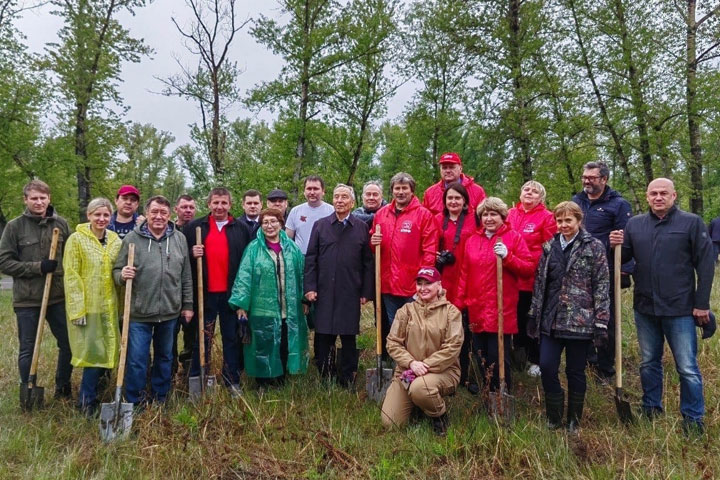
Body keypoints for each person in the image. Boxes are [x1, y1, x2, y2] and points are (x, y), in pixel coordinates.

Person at [610, 178, 715, 435]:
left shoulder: (691, 223)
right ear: (647, 197)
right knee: (648, 363)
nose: (658, 197)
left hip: (679, 307)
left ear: (674, 196)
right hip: (645, 307)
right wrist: (613, 245)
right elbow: (623, 259)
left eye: (663, 193)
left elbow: (706, 264)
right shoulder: (634, 225)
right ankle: (651, 409)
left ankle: (693, 420)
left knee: (687, 367)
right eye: (653, 193)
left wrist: (701, 305)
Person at [528, 201, 609, 433]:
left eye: (568, 220)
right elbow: (540, 284)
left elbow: (602, 285)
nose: (563, 225)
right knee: (547, 366)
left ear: (578, 221)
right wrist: (534, 314)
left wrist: (601, 322)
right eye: (559, 220)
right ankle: (554, 416)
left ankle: (574, 419)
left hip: (580, 321)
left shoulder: (593, 247)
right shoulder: (549, 247)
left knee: (575, 370)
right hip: (551, 320)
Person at [113, 195, 193, 406]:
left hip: (170, 311)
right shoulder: (132, 239)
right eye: (154, 212)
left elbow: (186, 275)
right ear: (146, 213)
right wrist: (122, 274)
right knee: (137, 360)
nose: (158, 216)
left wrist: (188, 305)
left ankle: (161, 398)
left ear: (169, 215)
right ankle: (135, 401)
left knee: (165, 358)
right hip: (139, 313)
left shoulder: (179, 239)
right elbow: (116, 270)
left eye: (163, 213)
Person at [0, 180, 73, 401]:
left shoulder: (60, 224)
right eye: (34, 198)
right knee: (28, 349)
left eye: (43, 198)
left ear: (49, 198)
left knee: (68, 344)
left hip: (57, 297)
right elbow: (4, 262)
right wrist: (37, 267)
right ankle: (29, 389)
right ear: (26, 200)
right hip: (28, 299)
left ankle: (63, 387)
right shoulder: (14, 227)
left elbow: (71, 257)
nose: (39, 202)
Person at [456, 197, 533, 397]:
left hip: (501, 308)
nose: (489, 218)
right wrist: (460, 302)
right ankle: (488, 391)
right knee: (481, 355)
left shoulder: (513, 237)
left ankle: (502, 393)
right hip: (477, 307)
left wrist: (508, 257)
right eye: (485, 215)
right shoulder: (473, 240)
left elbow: (528, 268)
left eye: (493, 214)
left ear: (502, 217)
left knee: (498, 355)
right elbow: (464, 273)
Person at [304, 184, 374, 388]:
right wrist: (310, 287)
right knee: (324, 334)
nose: (340, 200)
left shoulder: (361, 228)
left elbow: (367, 263)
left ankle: (348, 377)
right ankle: (326, 375)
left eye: (344, 197)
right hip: (323, 290)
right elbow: (311, 258)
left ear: (352, 203)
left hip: (350, 290)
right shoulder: (321, 225)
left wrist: (365, 292)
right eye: (336, 197)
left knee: (348, 335)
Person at [229, 208, 309, 386]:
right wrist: (241, 305)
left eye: (273, 221)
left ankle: (280, 380)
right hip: (262, 308)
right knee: (263, 344)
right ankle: (263, 382)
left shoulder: (292, 249)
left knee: (284, 343)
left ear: (281, 224)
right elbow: (244, 277)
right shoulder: (253, 249)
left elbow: (301, 274)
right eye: (265, 222)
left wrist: (304, 299)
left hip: (288, 308)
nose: (269, 226)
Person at [381, 267, 463, 436]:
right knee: (390, 423)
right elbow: (392, 343)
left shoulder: (452, 313)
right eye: (420, 283)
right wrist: (411, 363)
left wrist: (424, 366)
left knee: (420, 388)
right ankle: (419, 404)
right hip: (407, 372)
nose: (423, 288)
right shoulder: (405, 311)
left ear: (439, 286)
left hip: (444, 371)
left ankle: (439, 417)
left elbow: (452, 347)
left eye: (428, 283)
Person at [185, 188, 252, 394]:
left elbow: (247, 265)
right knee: (202, 338)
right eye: (215, 203)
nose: (219, 207)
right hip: (204, 294)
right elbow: (181, 261)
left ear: (230, 205)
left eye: (224, 203)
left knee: (231, 338)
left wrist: (243, 299)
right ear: (209, 204)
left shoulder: (240, 229)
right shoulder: (195, 227)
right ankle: (198, 378)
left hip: (231, 295)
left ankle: (231, 380)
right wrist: (191, 252)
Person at [572, 161, 632, 381]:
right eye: (584, 177)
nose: (587, 181)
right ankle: (589, 360)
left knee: (605, 319)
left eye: (592, 177)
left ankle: (606, 367)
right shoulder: (576, 201)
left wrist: (625, 269)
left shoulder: (618, 205)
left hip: (606, 270)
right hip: (579, 271)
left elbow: (627, 241)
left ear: (604, 179)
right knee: (582, 317)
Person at [63, 198, 122, 416]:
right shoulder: (77, 240)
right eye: (97, 215)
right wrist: (77, 309)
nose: (101, 219)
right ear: (89, 215)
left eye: (106, 215)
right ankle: (86, 402)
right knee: (92, 355)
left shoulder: (115, 241)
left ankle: (101, 396)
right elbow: (71, 276)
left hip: (109, 307)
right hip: (89, 308)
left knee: (109, 352)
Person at [371, 172, 438, 364]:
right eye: (397, 188)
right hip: (387, 283)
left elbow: (430, 249)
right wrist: (372, 242)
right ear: (392, 191)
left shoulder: (423, 215)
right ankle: (398, 363)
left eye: (404, 188)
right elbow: (375, 245)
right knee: (394, 325)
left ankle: (418, 363)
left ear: (412, 190)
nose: (400, 192)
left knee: (416, 327)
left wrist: (424, 281)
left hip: (412, 284)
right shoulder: (381, 214)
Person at [507, 181, 557, 377]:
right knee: (515, 320)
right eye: (526, 189)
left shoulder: (546, 218)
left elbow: (550, 250)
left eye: (535, 191)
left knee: (532, 320)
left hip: (532, 280)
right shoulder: (511, 214)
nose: (529, 193)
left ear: (541, 198)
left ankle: (535, 359)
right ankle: (518, 357)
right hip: (510, 277)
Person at [434, 182, 477, 391]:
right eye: (450, 198)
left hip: (467, 280)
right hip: (443, 281)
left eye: (457, 198)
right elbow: (428, 247)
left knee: (464, 330)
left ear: (465, 201)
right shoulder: (436, 220)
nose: (453, 202)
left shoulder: (473, 220)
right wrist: (437, 258)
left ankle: (465, 373)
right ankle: (444, 372)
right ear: (444, 201)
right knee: (443, 329)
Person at [172, 194, 197, 374]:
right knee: (169, 335)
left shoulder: (199, 228)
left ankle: (188, 370)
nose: (187, 210)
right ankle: (170, 370)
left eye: (191, 207)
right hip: (171, 289)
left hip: (193, 289)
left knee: (192, 333)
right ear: (176, 209)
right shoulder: (168, 229)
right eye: (184, 207)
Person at [421, 152, 486, 216]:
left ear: (460, 168)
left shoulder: (477, 191)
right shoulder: (430, 193)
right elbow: (425, 220)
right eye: (444, 168)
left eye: (451, 167)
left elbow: (485, 217)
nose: (448, 171)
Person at [286, 176, 334, 254]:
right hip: (301, 258)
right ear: (304, 191)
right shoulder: (295, 211)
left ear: (323, 191)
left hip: (325, 257)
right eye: (309, 189)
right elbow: (287, 239)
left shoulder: (332, 211)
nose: (312, 192)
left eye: (316, 189)